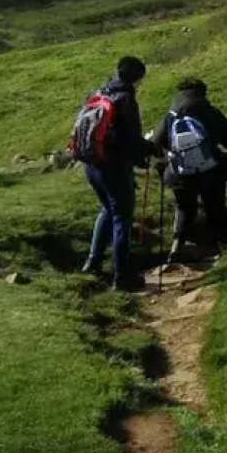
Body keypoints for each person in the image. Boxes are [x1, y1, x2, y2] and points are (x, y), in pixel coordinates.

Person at [77, 55, 153, 290]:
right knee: (122, 218)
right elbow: (131, 138)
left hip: (92, 164)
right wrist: (148, 151)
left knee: (107, 211)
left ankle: (93, 262)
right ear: (137, 77)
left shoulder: (100, 92)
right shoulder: (126, 98)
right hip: (114, 167)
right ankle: (123, 277)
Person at [150, 77, 227, 261]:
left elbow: (156, 144)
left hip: (179, 173)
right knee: (215, 206)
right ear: (202, 93)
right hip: (210, 170)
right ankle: (224, 247)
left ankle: (177, 246)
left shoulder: (171, 115)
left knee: (184, 208)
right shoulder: (210, 112)